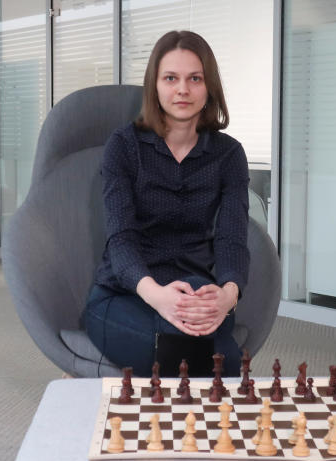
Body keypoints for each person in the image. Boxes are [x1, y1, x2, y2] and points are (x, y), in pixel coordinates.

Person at [81, 30, 249, 377]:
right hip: (125, 294)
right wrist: (157, 296)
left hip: (192, 290)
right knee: (196, 357)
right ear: (154, 86)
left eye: (195, 78)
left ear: (209, 87)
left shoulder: (228, 154)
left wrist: (227, 297)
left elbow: (232, 237)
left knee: (225, 360)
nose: (183, 90)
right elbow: (121, 238)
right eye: (171, 78)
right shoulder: (124, 146)